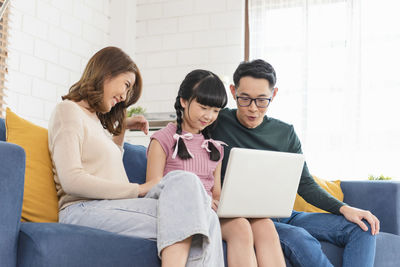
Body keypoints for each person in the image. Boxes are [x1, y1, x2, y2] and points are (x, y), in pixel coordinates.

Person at [47, 46, 224, 267]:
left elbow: (107, 163)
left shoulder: (94, 120)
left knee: (202, 208)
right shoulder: (68, 110)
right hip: (83, 209)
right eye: (126, 85)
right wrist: (139, 189)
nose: (124, 96)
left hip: (112, 206)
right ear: (106, 73)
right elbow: (71, 179)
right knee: (195, 210)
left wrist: (122, 128)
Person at [211, 59, 380, 267]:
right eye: (244, 99)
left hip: (285, 215)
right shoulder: (215, 122)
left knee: (363, 227)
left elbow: (305, 184)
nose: (253, 109)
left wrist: (344, 208)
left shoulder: (286, 133)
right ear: (232, 91)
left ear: (274, 94)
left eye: (262, 100)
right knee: (300, 238)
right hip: (251, 221)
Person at [146, 69, 286, 267]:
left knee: (255, 226)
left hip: (211, 213)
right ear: (184, 101)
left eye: (215, 111)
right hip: (181, 210)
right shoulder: (163, 139)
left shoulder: (215, 147)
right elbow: (153, 188)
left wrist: (222, 202)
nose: (209, 116)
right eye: (203, 107)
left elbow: (217, 192)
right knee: (240, 226)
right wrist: (203, 201)